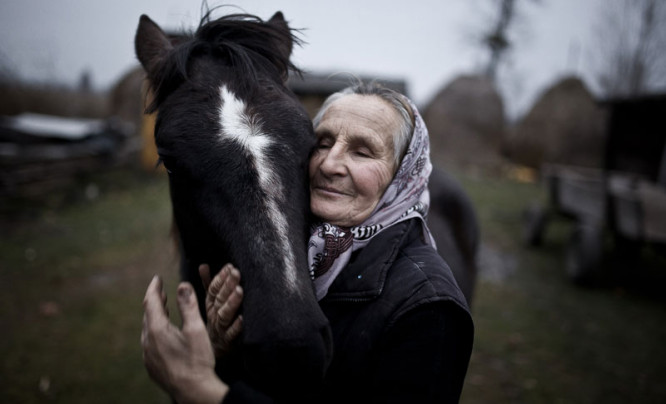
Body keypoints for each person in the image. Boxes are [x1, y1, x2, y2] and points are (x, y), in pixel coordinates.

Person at [141, 82, 474, 403]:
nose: (329, 164)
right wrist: (222, 354)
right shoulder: (286, 252)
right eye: (324, 142)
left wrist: (203, 393)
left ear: (404, 176)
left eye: (362, 151)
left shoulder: (430, 309)